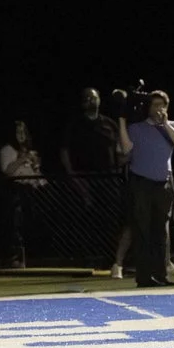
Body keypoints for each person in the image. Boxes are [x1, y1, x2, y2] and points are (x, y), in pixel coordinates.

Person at [114, 91, 174, 289]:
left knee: (161, 232)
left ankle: (161, 274)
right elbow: (126, 150)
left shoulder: (173, 126)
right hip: (142, 183)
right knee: (142, 230)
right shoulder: (137, 128)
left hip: (164, 183)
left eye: (162, 105)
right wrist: (121, 120)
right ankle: (144, 276)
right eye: (155, 105)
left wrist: (166, 124)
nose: (158, 109)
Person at [60, 87, 122, 270]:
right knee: (87, 221)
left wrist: (119, 169)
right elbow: (64, 152)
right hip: (84, 179)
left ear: (99, 100)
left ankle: (111, 259)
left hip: (109, 179)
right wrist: (73, 176)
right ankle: (87, 258)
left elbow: (119, 150)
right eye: (86, 98)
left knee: (111, 220)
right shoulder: (74, 125)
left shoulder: (110, 124)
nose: (90, 101)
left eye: (93, 97)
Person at [0, 120, 44, 269]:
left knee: (30, 224)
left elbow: (35, 172)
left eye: (23, 132)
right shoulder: (8, 150)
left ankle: (32, 257)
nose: (21, 136)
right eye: (18, 133)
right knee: (15, 225)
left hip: (31, 190)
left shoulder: (31, 152)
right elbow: (7, 170)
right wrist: (22, 159)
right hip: (15, 190)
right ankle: (15, 258)